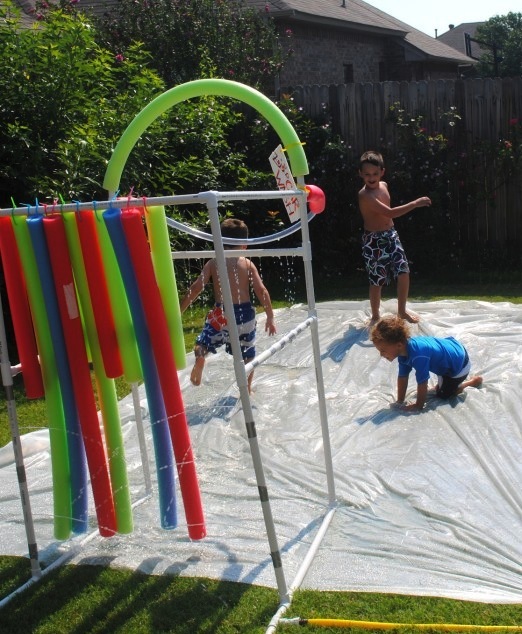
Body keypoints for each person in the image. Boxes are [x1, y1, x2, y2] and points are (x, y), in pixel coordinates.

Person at [180, 218, 277, 393]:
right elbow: (261, 290)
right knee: (247, 354)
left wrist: (179, 310)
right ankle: (246, 389)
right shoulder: (247, 264)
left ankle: (201, 357)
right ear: (244, 245)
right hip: (244, 316)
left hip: (221, 313)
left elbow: (196, 288)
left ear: (220, 242)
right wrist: (270, 316)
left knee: (203, 341)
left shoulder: (213, 262)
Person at [358, 150, 432, 325]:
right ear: (360, 173)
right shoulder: (365, 195)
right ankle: (375, 315)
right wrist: (415, 203)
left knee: (403, 271)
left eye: (375, 173)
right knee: (377, 280)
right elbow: (390, 212)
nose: (371, 177)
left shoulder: (384, 185)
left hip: (391, 234)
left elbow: (388, 216)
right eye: (367, 174)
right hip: (373, 240)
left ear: (382, 172)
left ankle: (402, 311)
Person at [370, 315, 483, 412]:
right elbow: (403, 377)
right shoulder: (403, 352)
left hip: (459, 365)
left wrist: (418, 405)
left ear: (398, 345)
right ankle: (443, 384)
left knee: (443, 395)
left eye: (383, 350)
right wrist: (400, 401)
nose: (381, 354)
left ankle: (471, 382)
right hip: (450, 355)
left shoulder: (419, 355)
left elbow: (423, 382)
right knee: (438, 387)